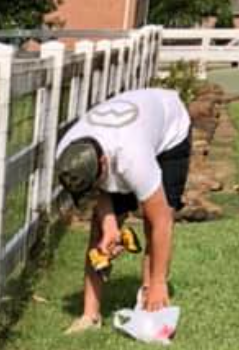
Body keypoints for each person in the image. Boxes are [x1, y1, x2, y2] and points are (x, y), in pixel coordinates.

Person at [55, 88, 192, 334]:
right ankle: (90, 316)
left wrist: (160, 283)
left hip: (170, 127)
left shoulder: (133, 159)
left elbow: (161, 220)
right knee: (99, 231)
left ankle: (151, 299)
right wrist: (109, 227)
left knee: (154, 221)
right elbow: (99, 189)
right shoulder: (68, 154)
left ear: (103, 164)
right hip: (124, 136)